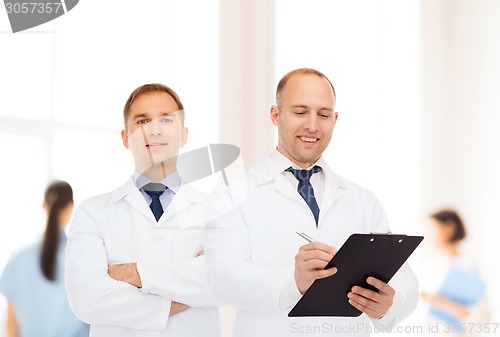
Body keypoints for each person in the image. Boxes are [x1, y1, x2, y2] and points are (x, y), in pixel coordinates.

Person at [205, 68, 419, 337]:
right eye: (300, 112)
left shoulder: (362, 199)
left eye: (323, 114)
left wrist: (390, 303)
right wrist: (293, 281)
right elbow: (221, 278)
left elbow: (405, 276)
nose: (312, 125)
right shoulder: (232, 194)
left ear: (335, 119)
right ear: (275, 114)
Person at [65, 84, 221, 337]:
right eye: (142, 120)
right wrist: (182, 293)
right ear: (126, 137)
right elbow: (86, 298)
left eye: (166, 119)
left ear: (183, 135)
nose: (154, 129)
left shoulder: (217, 211)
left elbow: (226, 283)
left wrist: (132, 273)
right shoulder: (93, 212)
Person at [0, 180, 89, 337]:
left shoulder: (18, 258)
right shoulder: (83, 257)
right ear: (71, 206)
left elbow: (11, 323)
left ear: (44, 206)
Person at [419, 209, 490, 336]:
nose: (427, 237)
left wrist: (440, 301)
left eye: (431, 231)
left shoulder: (467, 266)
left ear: (449, 228)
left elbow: (482, 317)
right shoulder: (426, 265)